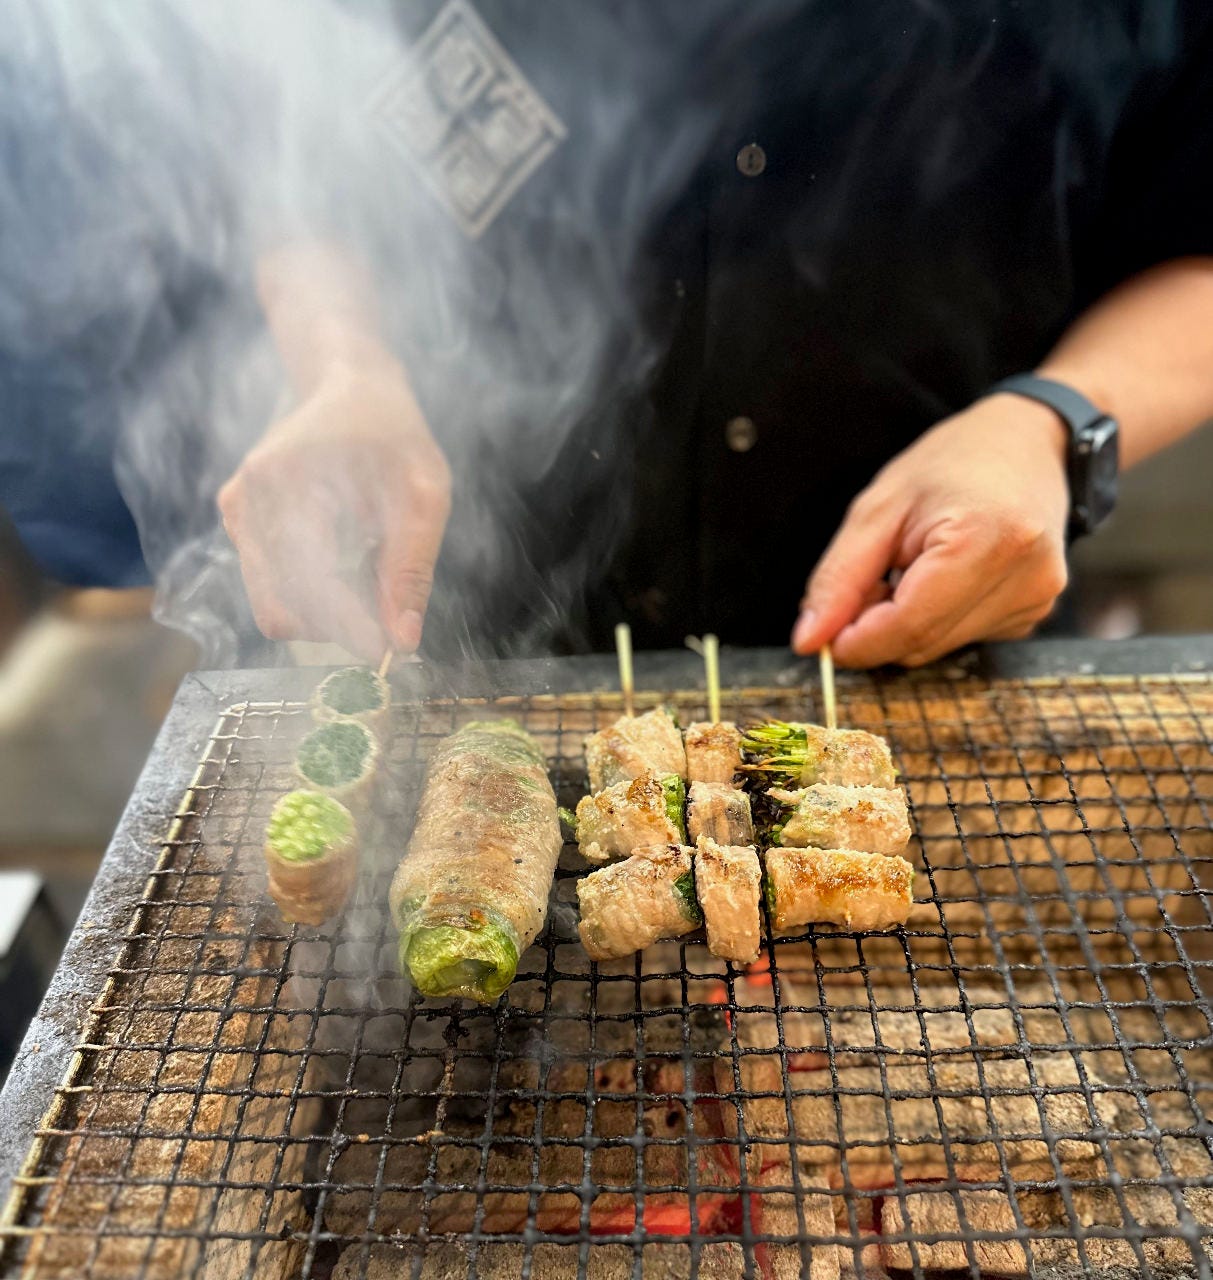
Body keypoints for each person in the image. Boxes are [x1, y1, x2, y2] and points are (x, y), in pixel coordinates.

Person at [10, 3, 1213, 668]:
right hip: (452, 643)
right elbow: (285, 146)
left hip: (921, 644)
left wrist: (1048, 426)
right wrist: (341, 360)